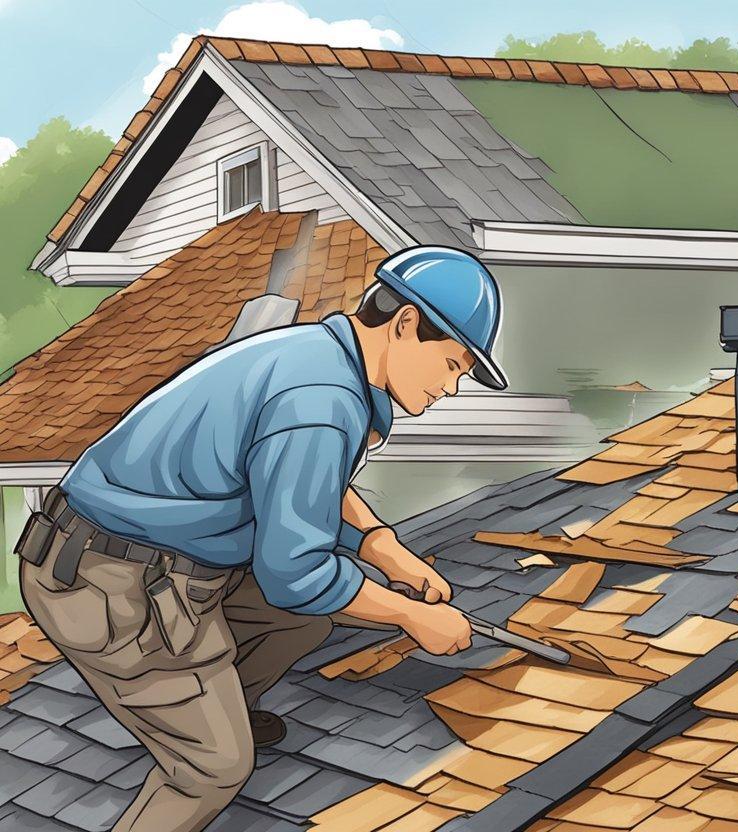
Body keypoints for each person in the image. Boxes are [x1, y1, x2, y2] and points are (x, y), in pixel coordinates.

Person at [14, 245, 509, 832]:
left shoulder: (320, 358)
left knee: (303, 618)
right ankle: (199, 736)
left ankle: (214, 706)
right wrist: (411, 616)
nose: (452, 388)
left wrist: (380, 545)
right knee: (214, 770)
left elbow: (297, 475)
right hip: (108, 583)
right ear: (405, 326)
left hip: (141, 560)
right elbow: (294, 572)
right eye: (452, 365)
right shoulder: (320, 399)